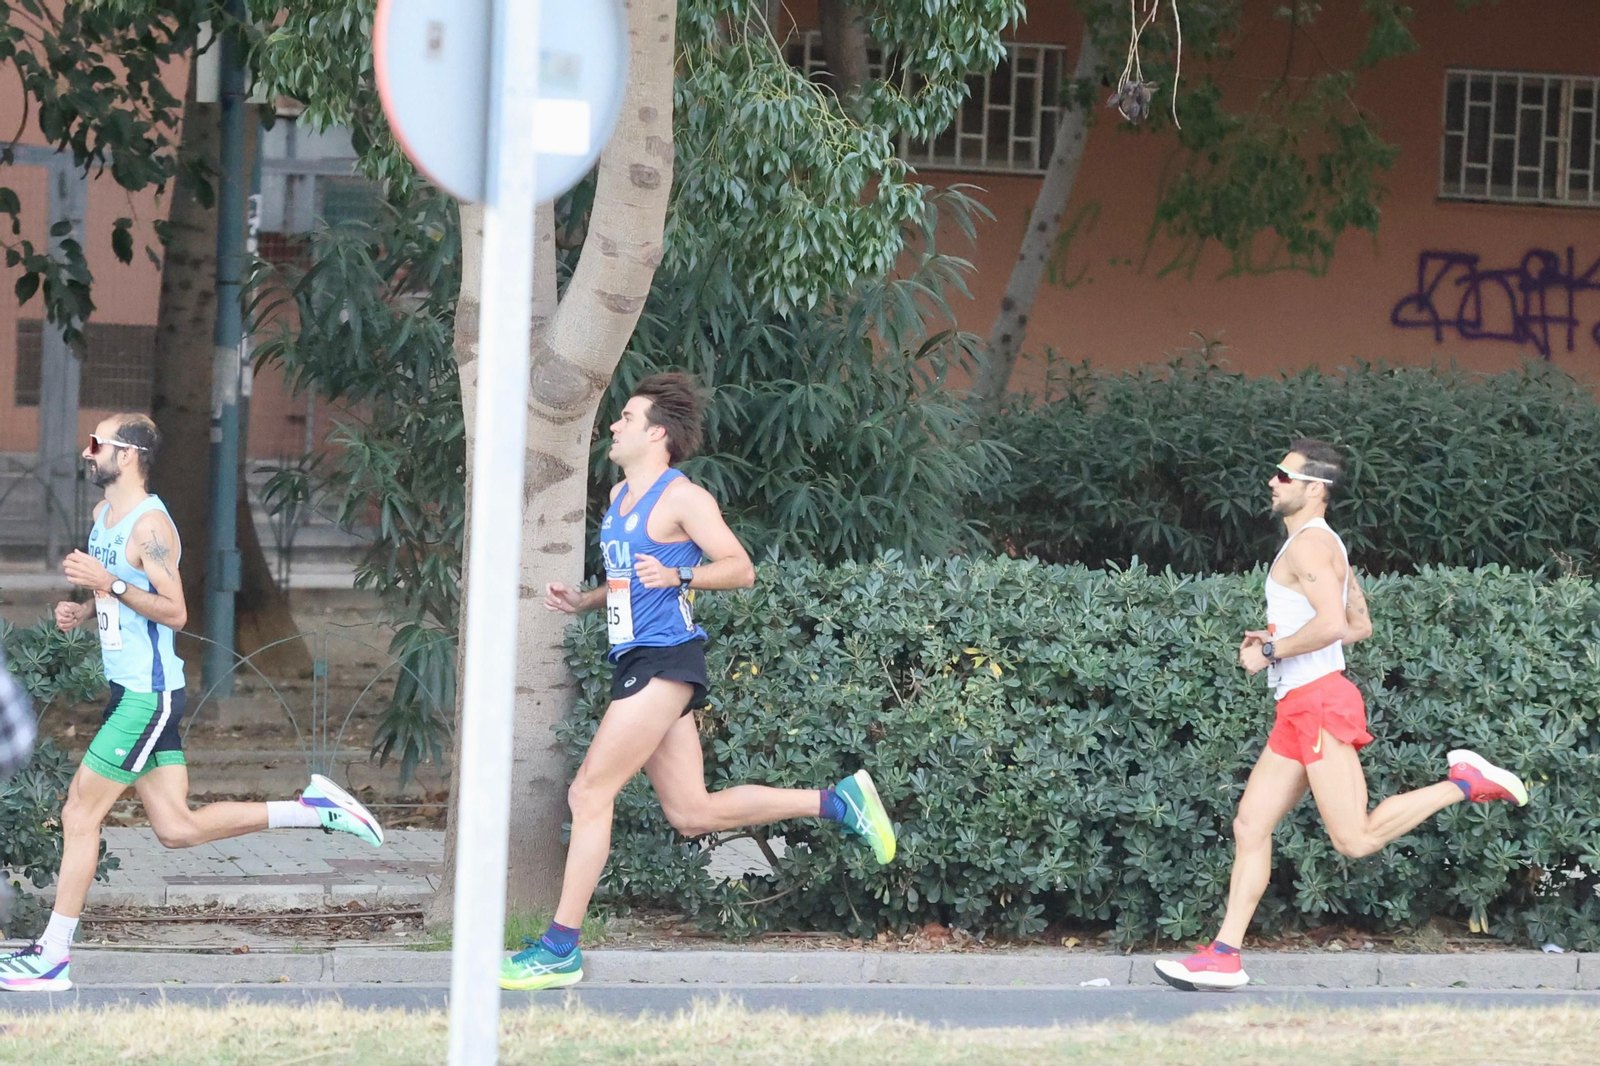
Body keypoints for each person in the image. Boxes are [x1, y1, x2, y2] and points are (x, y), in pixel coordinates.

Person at [499, 373, 897, 991]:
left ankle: (560, 948)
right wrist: (586, 601)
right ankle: (838, 801)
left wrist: (682, 579)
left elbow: (740, 569)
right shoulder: (617, 499)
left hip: (667, 661)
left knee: (587, 794)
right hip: (638, 660)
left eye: (626, 418)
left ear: (656, 433)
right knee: (690, 811)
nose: (614, 425)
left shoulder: (682, 497)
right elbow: (635, 578)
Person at [0, 414, 384, 994]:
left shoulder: (151, 525)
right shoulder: (105, 514)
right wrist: (83, 608)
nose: (87, 452)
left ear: (126, 455)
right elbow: (115, 593)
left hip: (148, 698)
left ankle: (53, 957)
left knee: (80, 815)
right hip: (130, 692)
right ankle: (313, 809)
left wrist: (111, 581)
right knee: (176, 829)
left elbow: (176, 611)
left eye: (97, 443)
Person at [1154, 440, 1529, 992]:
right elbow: (1358, 625)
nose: (1272, 481)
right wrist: (1283, 635)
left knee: (1354, 839)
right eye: (1275, 472)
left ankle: (1466, 783)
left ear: (1315, 488)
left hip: (1319, 702)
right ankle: (1223, 956)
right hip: (1300, 705)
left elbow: (1333, 625)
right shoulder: (1326, 545)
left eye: (1285, 475)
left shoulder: (1307, 548)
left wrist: (1271, 652)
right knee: (1251, 824)